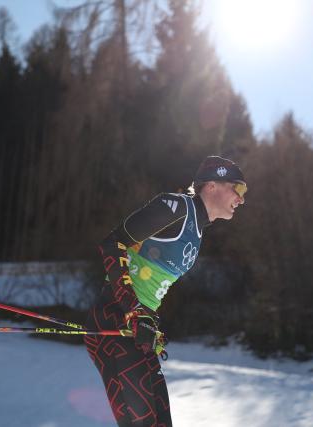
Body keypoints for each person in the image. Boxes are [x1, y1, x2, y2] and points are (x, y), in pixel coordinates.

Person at [84, 155, 247, 427]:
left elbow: (151, 284)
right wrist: (134, 311)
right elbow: (113, 243)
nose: (241, 198)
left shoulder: (196, 230)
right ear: (212, 185)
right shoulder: (176, 208)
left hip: (137, 330)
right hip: (115, 321)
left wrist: (148, 317)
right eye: (237, 188)